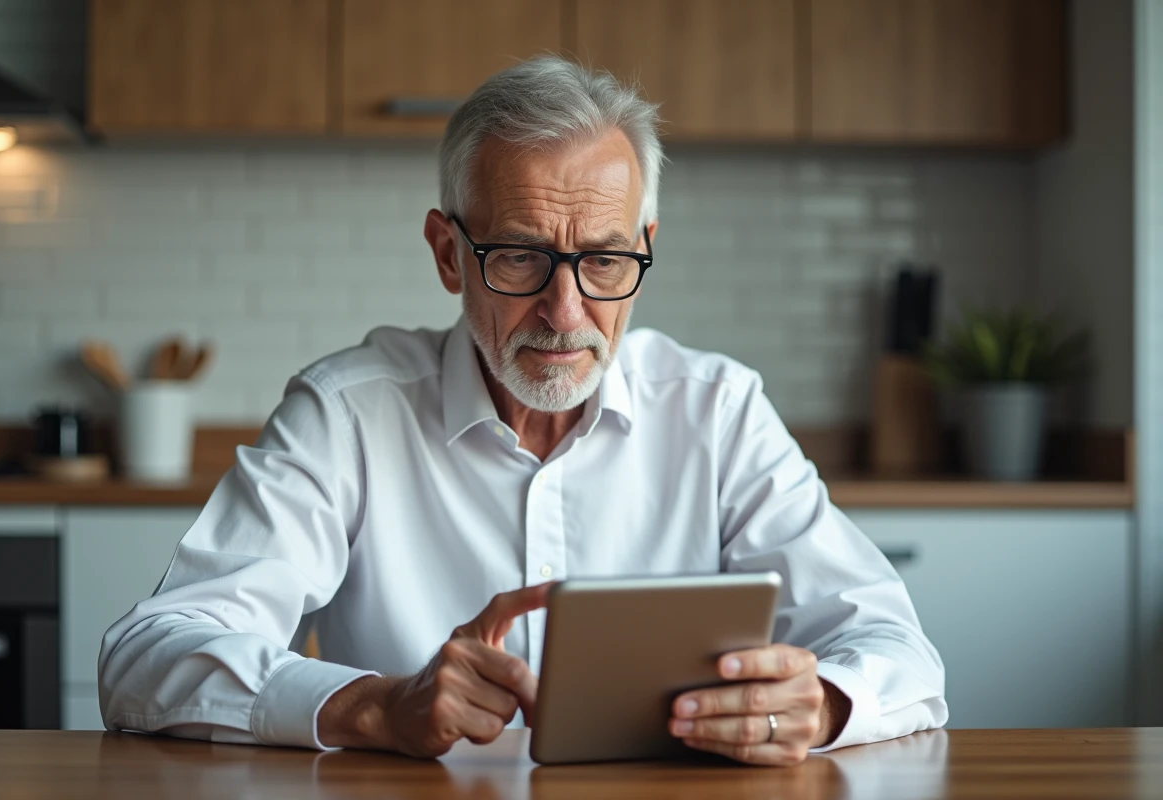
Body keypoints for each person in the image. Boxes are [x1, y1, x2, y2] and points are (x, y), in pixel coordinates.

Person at [99, 56, 947, 767]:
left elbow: (900, 652)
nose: (566, 312)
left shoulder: (717, 411)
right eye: (519, 257)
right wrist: (376, 706)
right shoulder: (347, 414)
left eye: (605, 262)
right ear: (448, 253)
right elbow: (147, 656)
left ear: (644, 247)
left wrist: (822, 704)